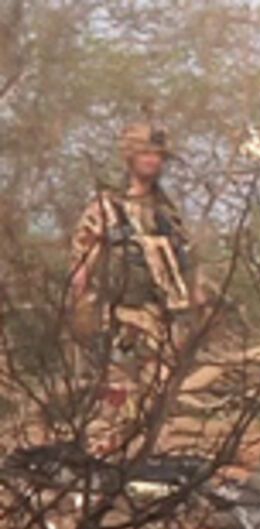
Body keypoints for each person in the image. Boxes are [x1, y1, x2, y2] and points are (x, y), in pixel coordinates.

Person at [70, 121, 198, 417]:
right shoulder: (108, 207)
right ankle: (106, 456)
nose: (153, 160)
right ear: (130, 157)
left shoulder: (167, 212)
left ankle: (146, 455)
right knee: (116, 400)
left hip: (163, 320)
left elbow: (187, 265)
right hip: (121, 318)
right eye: (145, 153)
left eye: (158, 155)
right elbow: (80, 270)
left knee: (159, 401)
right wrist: (85, 317)